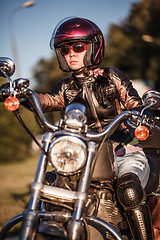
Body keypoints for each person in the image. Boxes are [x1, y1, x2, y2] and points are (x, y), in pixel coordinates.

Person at [0, 17, 155, 239]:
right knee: (49, 186)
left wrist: (142, 115)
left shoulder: (113, 77)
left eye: (78, 46)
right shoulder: (65, 87)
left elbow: (134, 104)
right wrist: (22, 95)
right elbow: (47, 100)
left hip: (122, 151)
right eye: (64, 49)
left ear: (93, 47)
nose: (71, 53)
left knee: (129, 191)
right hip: (84, 156)